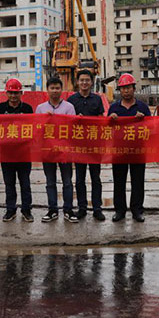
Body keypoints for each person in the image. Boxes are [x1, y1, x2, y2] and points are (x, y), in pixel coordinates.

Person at [108, 73, 151, 222]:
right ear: (120, 90)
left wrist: (143, 120)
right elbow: (107, 130)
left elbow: (152, 127)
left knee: (138, 181)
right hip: (119, 151)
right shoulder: (114, 108)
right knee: (119, 181)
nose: (126, 91)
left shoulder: (142, 107)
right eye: (123, 88)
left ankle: (137, 210)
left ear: (134, 88)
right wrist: (110, 120)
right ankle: (119, 210)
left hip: (137, 150)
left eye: (128, 87)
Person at [36, 77, 78, 223]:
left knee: (67, 182)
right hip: (47, 151)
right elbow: (37, 129)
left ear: (62, 90)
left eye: (57, 88)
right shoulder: (41, 108)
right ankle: (52, 210)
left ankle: (68, 210)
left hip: (65, 151)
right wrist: (46, 120)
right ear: (47, 90)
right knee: (50, 182)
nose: (55, 91)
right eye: (52, 88)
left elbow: (73, 128)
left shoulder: (69, 107)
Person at [67, 69, 106, 221]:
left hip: (94, 145)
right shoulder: (71, 100)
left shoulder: (97, 99)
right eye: (81, 80)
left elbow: (101, 119)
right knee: (79, 179)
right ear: (77, 82)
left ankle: (97, 208)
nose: (84, 83)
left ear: (91, 82)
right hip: (78, 146)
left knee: (96, 178)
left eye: (87, 80)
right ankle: (82, 208)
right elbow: (66, 121)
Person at [0, 78, 34, 222]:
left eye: (16, 93)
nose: (13, 96)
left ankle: (26, 210)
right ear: (6, 93)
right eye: (10, 93)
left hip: (24, 153)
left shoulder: (27, 109)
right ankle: (10, 210)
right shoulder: (0, 108)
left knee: (25, 183)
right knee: (9, 184)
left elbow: (32, 129)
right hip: (6, 154)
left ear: (21, 93)